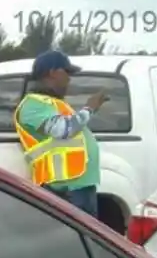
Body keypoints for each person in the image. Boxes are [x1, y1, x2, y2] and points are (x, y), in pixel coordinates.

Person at [15, 50, 110, 222]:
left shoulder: (53, 103)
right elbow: (63, 130)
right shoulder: (32, 105)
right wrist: (89, 108)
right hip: (64, 189)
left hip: (78, 186)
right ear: (52, 72)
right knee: (74, 242)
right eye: (67, 72)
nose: (69, 79)